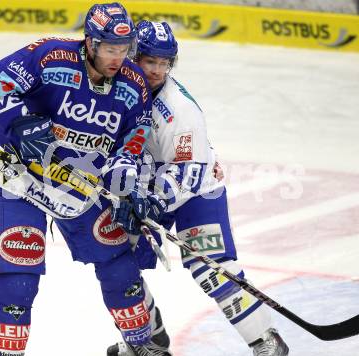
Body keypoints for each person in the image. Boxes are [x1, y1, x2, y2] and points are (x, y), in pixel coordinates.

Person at [0, 4, 169, 355]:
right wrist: (19, 122)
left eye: (124, 50)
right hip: (21, 181)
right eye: (110, 48)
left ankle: (142, 348)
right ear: (91, 42)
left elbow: (133, 139)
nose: (118, 58)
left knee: (120, 268)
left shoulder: (133, 85)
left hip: (81, 190)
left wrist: (126, 182)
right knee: (18, 278)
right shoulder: (49, 56)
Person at [107, 21, 290, 356]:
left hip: (195, 190)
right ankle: (148, 337)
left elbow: (191, 171)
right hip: (141, 186)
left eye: (165, 64)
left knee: (210, 267)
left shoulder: (179, 110)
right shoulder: (116, 86)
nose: (158, 70)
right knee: (117, 263)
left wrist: (151, 200)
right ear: (134, 55)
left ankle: (265, 340)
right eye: (151, 62)